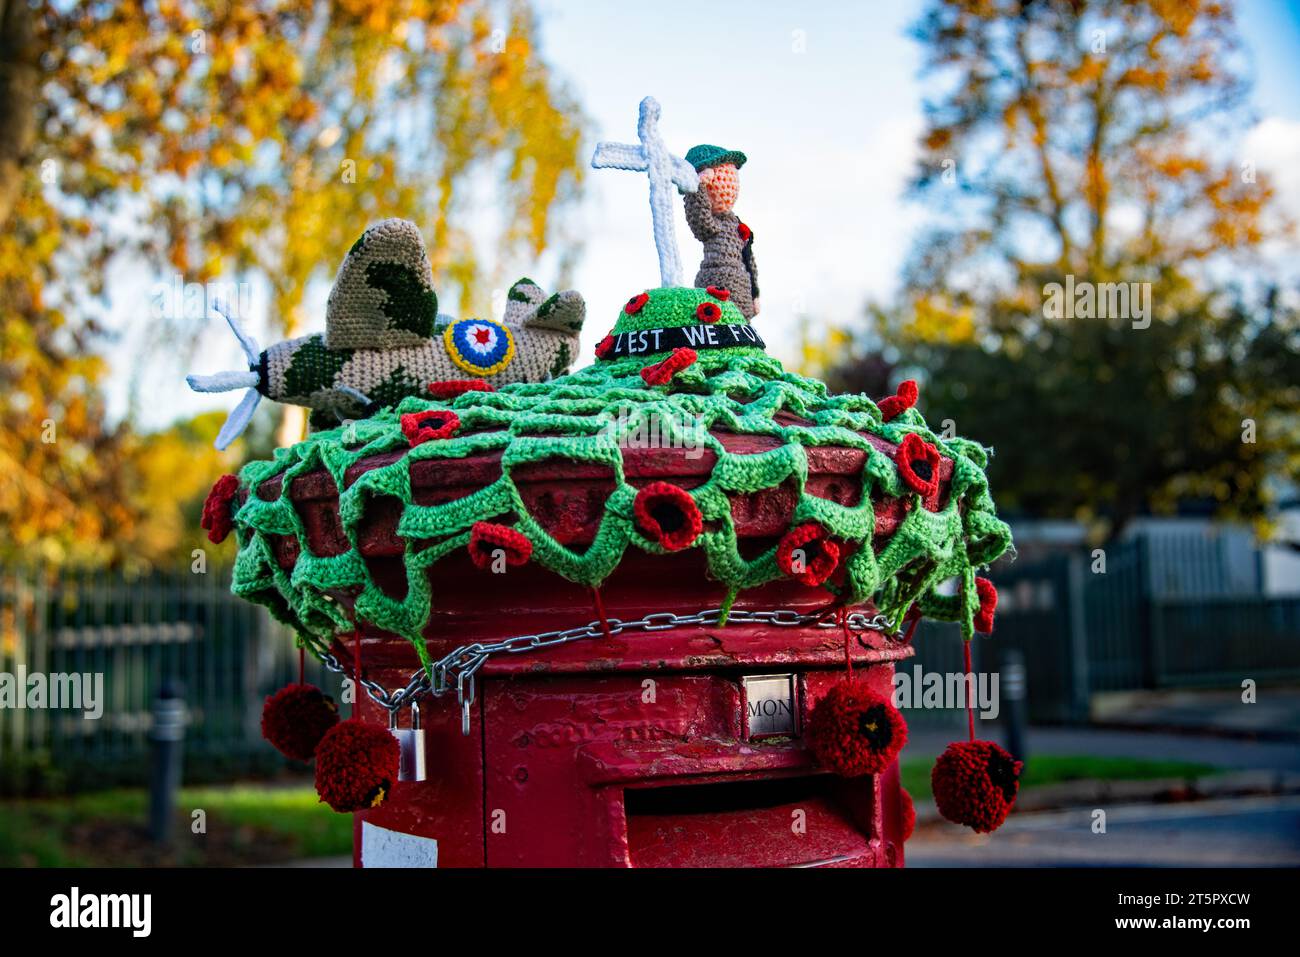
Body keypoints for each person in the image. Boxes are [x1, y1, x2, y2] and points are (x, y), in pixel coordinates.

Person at [682, 144, 759, 319]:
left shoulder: (737, 225)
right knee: (713, 324)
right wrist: (697, 188)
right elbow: (699, 217)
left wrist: (755, 294)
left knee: (741, 330)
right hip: (714, 282)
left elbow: (749, 259)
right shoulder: (712, 224)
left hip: (742, 288)